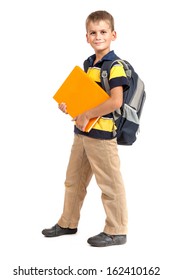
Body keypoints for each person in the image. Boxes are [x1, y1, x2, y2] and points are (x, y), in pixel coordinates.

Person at [42, 10, 129, 247]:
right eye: (93, 32)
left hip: (101, 135)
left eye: (103, 32)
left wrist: (87, 114)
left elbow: (115, 102)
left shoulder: (115, 66)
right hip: (82, 133)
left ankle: (116, 230)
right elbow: (85, 98)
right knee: (73, 180)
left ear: (113, 34)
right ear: (86, 37)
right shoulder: (88, 64)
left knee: (110, 183)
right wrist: (68, 106)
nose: (98, 36)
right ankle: (68, 222)